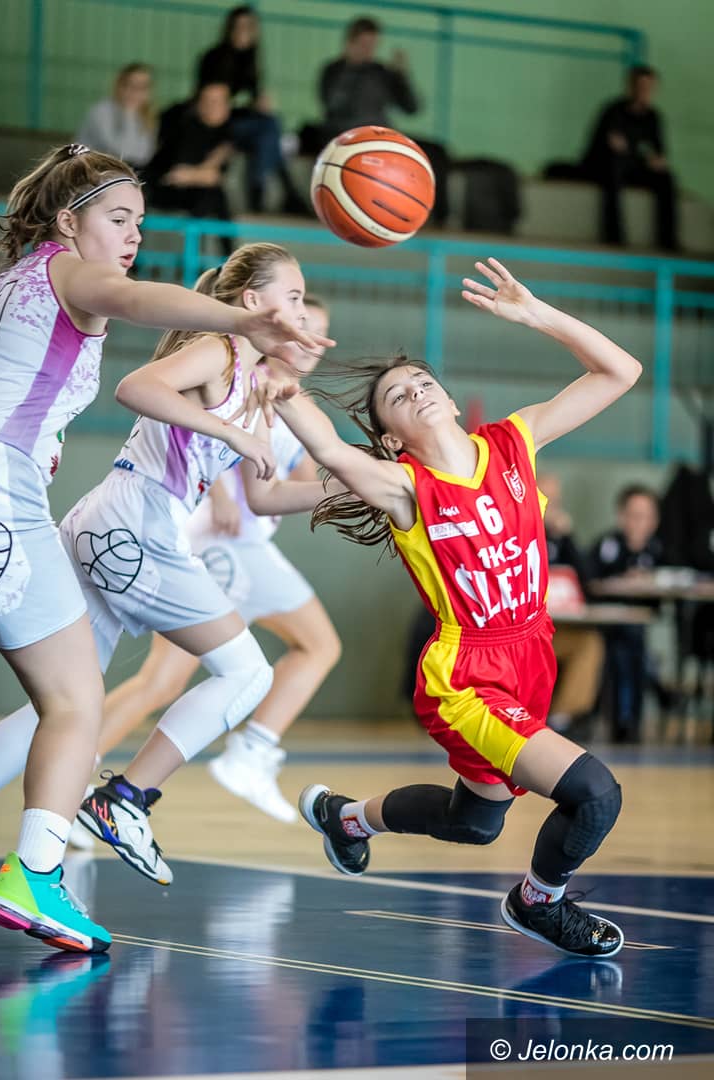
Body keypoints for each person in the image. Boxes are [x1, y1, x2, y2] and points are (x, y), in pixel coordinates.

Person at [255, 257, 643, 958]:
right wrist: (281, 383)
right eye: (398, 395)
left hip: (531, 654)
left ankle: (347, 819)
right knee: (594, 794)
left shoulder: (516, 441)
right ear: (392, 437)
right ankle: (538, 903)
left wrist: (537, 314)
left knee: (475, 822)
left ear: (451, 398)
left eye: (423, 382)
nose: (416, 391)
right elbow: (327, 447)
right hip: (467, 677)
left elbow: (621, 372)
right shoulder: (403, 486)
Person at [0, 146, 322, 954]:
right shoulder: (72, 272)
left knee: (62, 701)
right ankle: (61, 851)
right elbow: (135, 305)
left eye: (140, 221)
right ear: (68, 222)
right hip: (38, 504)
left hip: (50, 505)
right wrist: (241, 325)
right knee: (85, 701)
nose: (134, 235)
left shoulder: (15, 281)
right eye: (118, 218)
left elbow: (276, 487)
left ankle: (68, 844)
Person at [68, 296, 341, 835]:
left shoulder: (297, 404)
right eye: (301, 323)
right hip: (225, 543)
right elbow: (205, 436)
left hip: (220, 543)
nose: (310, 340)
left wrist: (363, 485)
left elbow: (304, 481)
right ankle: (253, 751)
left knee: (159, 684)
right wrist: (219, 490)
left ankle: (75, 778)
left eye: (320, 331)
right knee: (318, 645)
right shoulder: (244, 378)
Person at [302, 16, 449, 226]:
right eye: (364, 45)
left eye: (373, 45)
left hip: (383, 137)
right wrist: (351, 68)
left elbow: (412, 108)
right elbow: (331, 103)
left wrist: (401, 76)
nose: (369, 50)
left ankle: (436, 219)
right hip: (349, 138)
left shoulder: (381, 72)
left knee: (437, 152)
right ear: (350, 43)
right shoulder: (333, 70)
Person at [196, 5, 307, 214]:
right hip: (221, 124)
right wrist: (246, 105)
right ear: (230, 28)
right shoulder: (214, 58)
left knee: (269, 129)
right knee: (270, 128)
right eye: (240, 26)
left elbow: (250, 97)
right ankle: (273, 190)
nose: (244, 32)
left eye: (249, 27)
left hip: (243, 123)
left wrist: (260, 103)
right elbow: (211, 102)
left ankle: (265, 189)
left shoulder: (251, 59)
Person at [588, 484, 665, 743]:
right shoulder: (607, 545)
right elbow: (589, 582)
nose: (639, 522)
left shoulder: (659, 549)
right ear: (621, 516)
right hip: (608, 624)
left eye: (646, 516)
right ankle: (625, 719)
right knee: (623, 650)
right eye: (634, 515)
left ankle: (632, 717)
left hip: (642, 625)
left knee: (634, 647)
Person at [580, 65, 678, 251]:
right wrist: (639, 154)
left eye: (649, 87)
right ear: (631, 86)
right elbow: (612, 146)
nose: (644, 91)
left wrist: (654, 159)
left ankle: (668, 240)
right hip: (604, 167)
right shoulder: (613, 111)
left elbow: (658, 153)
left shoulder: (653, 117)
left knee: (666, 177)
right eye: (641, 86)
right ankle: (614, 236)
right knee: (614, 169)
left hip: (633, 167)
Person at [537, 471, 604, 735]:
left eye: (556, 502)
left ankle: (560, 719)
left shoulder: (561, 539)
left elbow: (588, 582)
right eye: (545, 499)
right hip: (521, 635)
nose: (551, 508)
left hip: (554, 629)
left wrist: (568, 537)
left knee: (589, 643)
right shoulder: (513, 532)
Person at [142, 82, 236, 239]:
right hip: (161, 188)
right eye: (206, 100)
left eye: (216, 101)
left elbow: (217, 177)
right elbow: (178, 175)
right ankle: (198, 250)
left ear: (227, 106)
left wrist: (204, 175)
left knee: (213, 195)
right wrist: (206, 174)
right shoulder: (186, 128)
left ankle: (204, 249)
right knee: (212, 193)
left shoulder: (228, 134)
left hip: (196, 194)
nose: (210, 106)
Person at [77, 63, 156, 170]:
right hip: (91, 170)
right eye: (130, 85)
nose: (136, 92)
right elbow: (122, 153)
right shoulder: (101, 112)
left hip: (119, 171)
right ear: (119, 86)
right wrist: (129, 114)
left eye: (142, 87)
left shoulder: (146, 116)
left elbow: (144, 156)